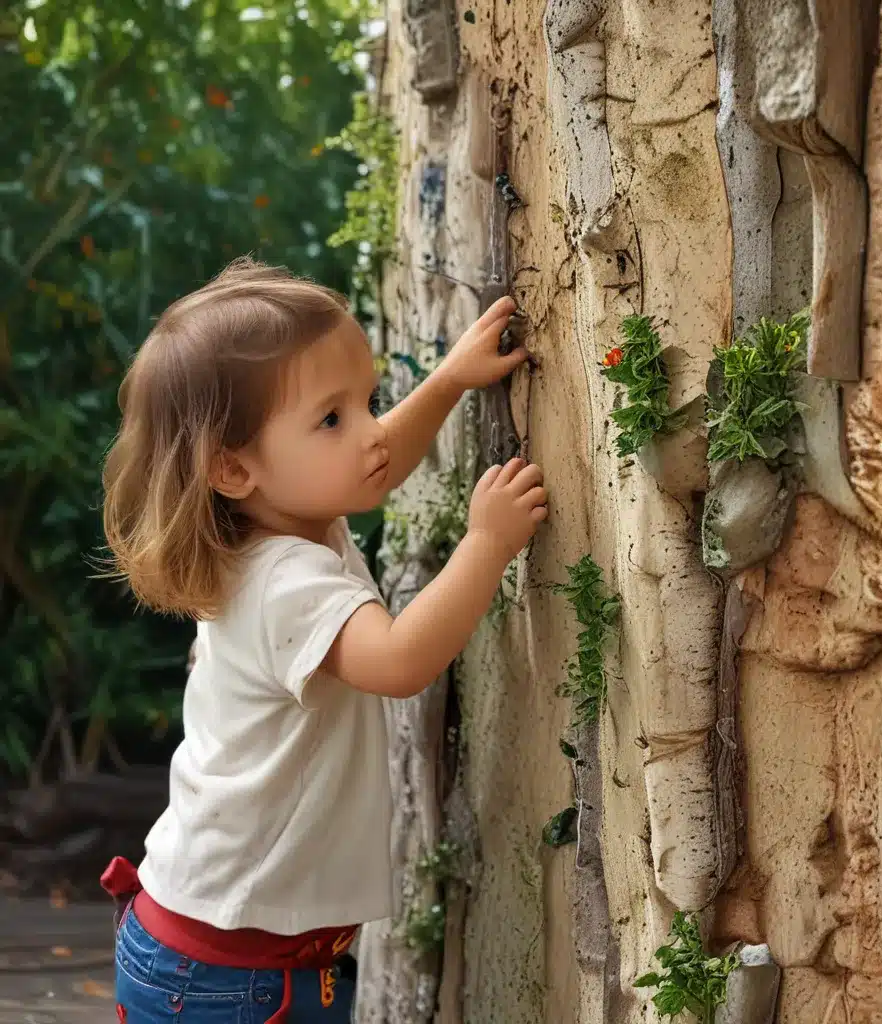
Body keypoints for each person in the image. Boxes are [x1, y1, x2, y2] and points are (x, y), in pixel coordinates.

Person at [99, 257, 547, 1022]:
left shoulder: (286, 520)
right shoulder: (283, 586)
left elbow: (375, 464)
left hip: (220, 952)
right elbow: (400, 662)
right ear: (234, 467)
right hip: (230, 979)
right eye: (332, 418)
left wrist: (444, 384)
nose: (370, 431)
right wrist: (487, 543)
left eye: (367, 401)